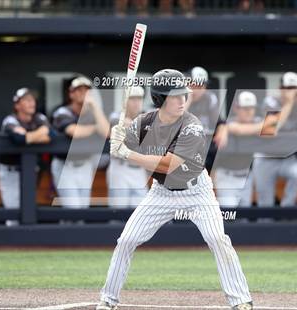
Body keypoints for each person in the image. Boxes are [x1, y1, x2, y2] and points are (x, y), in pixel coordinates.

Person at [96, 69, 253, 310]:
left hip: (197, 192)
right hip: (161, 194)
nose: (182, 100)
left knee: (216, 238)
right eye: (175, 96)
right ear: (160, 99)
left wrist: (126, 152)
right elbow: (124, 140)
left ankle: (240, 300)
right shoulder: (144, 122)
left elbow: (169, 164)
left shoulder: (192, 126)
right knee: (126, 239)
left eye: (184, 95)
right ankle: (108, 299)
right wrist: (117, 135)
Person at [251, 72, 297, 207]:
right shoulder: (271, 101)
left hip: (287, 157)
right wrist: (289, 103)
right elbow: (274, 128)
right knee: (265, 204)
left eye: (293, 88)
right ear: (280, 88)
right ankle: (266, 223)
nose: (290, 91)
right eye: (287, 88)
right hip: (265, 157)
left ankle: (286, 209)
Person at [51, 76, 109, 209]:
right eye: (79, 90)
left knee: (82, 208)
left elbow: (106, 132)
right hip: (65, 166)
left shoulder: (92, 112)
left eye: (86, 90)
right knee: (73, 209)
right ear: (71, 93)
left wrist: (95, 106)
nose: (83, 93)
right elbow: (74, 132)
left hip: (85, 165)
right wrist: (95, 129)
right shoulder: (62, 111)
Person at [0, 88, 52, 226]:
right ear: (17, 105)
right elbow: (18, 138)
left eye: (32, 99)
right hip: (10, 171)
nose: (31, 103)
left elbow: (51, 134)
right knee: (13, 212)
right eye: (27, 100)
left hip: (30, 171)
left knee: (28, 210)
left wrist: (28, 136)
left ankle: (25, 246)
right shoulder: (10, 119)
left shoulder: (39, 117)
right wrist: (39, 135)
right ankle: (10, 246)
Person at [215, 91, 262, 207]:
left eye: (251, 108)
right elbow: (228, 128)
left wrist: (234, 128)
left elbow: (273, 127)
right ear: (236, 108)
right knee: (228, 217)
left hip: (246, 178)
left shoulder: (256, 121)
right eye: (244, 108)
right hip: (227, 178)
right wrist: (228, 128)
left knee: (244, 218)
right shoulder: (226, 124)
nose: (248, 112)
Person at [107, 86, 148, 208]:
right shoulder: (116, 116)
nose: (136, 102)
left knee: (140, 213)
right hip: (120, 168)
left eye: (139, 99)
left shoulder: (146, 116)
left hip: (139, 170)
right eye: (132, 99)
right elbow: (120, 125)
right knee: (118, 211)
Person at [186, 66, 228, 175]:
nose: (196, 90)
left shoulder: (209, 98)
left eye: (201, 86)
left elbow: (219, 122)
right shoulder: (176, 97)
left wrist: (223, 129)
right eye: (193, 85)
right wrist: (187, 100)